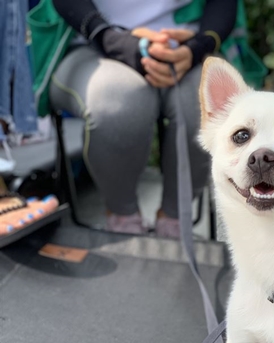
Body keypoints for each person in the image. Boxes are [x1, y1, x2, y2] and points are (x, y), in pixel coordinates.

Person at [49, 0, 236, 236]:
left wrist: (198, 46)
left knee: (211, 110)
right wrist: (112, 39)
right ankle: (123, 220)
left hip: (186, 45)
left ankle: (174, 222)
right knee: (119, 104)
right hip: (90, 43)